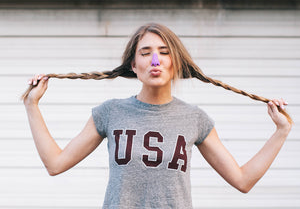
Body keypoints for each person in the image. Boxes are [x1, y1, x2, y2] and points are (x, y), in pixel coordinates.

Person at [23, 23, 292, 209]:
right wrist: (32, 105)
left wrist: (281, 132)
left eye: (164, 53)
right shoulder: (110, 113)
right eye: (146, 53)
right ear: (133, 64)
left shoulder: (194, 119)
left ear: (175, 62)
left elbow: (243, 181)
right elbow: (55, 164)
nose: (155, 60)